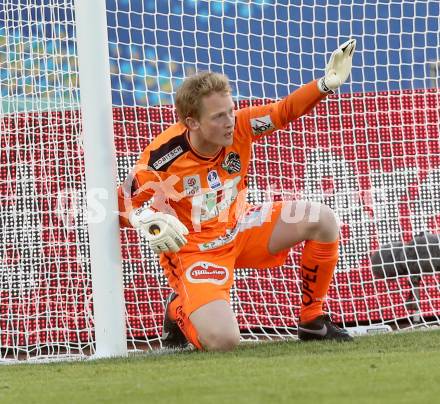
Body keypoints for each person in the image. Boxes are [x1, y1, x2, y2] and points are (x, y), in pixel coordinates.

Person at [118, 39, 357, 351]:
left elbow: (283, 111)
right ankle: (178, 309)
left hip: (240, 225)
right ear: (192, 122)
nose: (230, 121)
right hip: (195, 250)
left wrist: (325, 85)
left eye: (231, 111)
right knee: (224, 342)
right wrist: (146, 219)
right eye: (219, 116)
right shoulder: (164, 155)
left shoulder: (242, 126)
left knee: (322, 219)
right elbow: (121, 206)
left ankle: (312, 320)